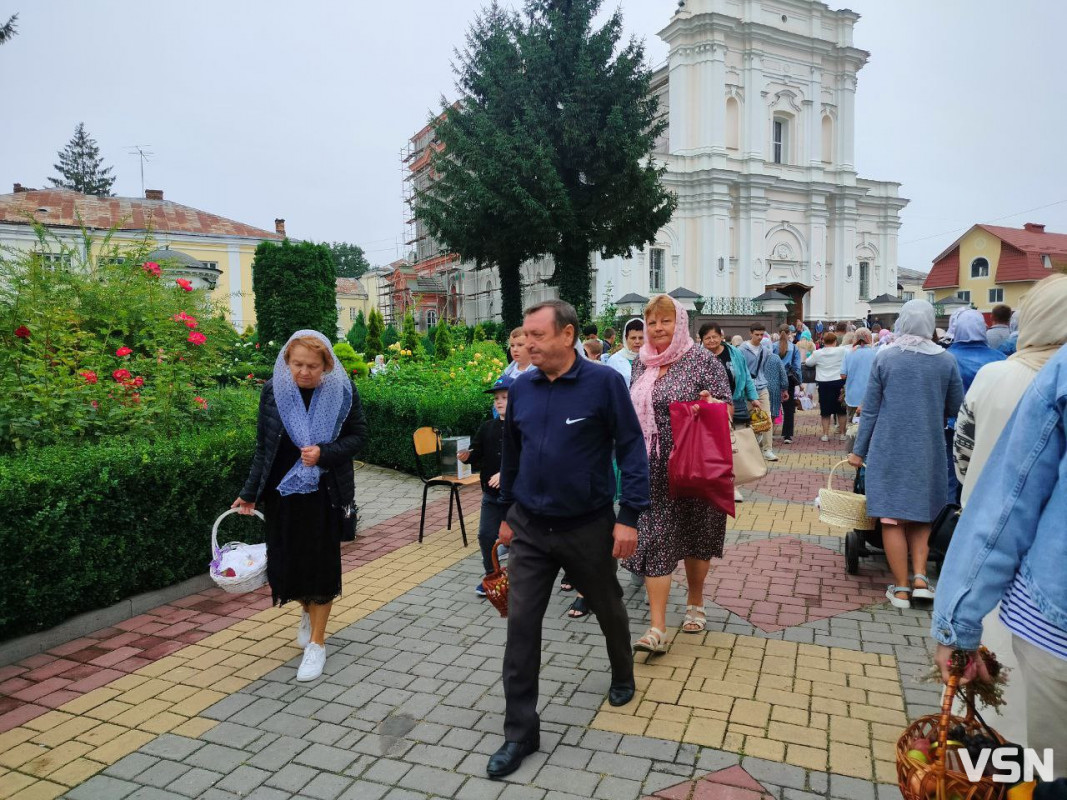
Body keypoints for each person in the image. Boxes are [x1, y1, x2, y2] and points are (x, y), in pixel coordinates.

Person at [489, 300, 649, 779]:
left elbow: (631, 447)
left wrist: (629, 517)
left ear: (567, 335)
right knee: (520, 628)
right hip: (532, 530)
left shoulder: (604, 382)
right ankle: (520, 731)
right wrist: (506, 515)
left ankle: (623, 671)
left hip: (588, 526)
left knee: (608, 606)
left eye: (537, 335)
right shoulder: (523, 388)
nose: (528, 344)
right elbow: (510, 454)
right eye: (525, 336)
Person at [934, 341, 1067, 771]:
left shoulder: (1013, 374)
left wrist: (957, 623)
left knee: (1049, 769)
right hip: (1045, 599)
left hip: (1048, 611)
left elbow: (1009, 493)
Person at [233, 330, 367, 682]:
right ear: (286, 362)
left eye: (312, 366)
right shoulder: (273, 392)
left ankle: (317, 645)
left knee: (321, 567)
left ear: (326, 365)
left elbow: (359, 437)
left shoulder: (342, 391)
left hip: (325, 493)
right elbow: (263, 448)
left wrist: (325, 453)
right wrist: (249, 492)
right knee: (287, 565)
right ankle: (308, 610)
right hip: (281, 494)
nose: (304, 372)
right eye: (297, 365)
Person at [625, 295, 732, 652]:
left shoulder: (701, 360)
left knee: (696, 530)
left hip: (694, 463)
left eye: (665, 321)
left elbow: (726, 408)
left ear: (680, 323)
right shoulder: (642, 364)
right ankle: (657, 628)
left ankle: (696, 602)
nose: (657, 328)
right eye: (651, 322)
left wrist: (710, 405)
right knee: (655, 537)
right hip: (651, 466)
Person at [848, 300, 963, 609]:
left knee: (892, 517)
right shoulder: (946, 361)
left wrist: (858, 453)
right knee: (923, 515)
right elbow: (956, 407)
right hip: (929, 447)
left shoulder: (885, 359)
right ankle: (922, 579)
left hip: (888, 448)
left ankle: (900, 589)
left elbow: (870, 410)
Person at [458, 375, 513, 598]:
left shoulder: (522, 428)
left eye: (505, 398)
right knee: (485, 535)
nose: (499, 402)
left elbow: (528, 460)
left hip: (517, 497)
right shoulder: (487, 427)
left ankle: (519, 579)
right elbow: (476, 453)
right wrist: (466, 456)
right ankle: (493, 576)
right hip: (491, 495)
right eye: (496, 399)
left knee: (518, 539)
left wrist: (506, 474)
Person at [944, 309, 1006, 503]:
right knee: (984, 474)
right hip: (990, 426)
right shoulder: (1000, 358)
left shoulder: (946, 357)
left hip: (954, 426)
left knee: (951, 477)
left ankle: (947, 524)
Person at [700, 322, 758, 501]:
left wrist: (753, 396)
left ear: (721, 337)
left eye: (714, 336)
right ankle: (711, 485)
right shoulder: (698, 357)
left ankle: (733, 487)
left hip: (734, 403)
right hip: (707, 408)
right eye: (707, 338)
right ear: (701, 340)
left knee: (734, 447)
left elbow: (745, 375)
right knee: (710, 449)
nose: (711, 340)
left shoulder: (734, 353)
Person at [740, 323, 777, 460]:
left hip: (762, 387)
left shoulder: (765, 350)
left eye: (762, 334)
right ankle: (751, 449)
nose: (760, 337)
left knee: (767, 418)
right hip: (746, 390)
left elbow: (763, 368)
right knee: (748, 420)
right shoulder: (741, 350)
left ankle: (767, 449)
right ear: (750, 333)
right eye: (757, 334)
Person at [805, 332, 848, 441]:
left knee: (825, 410)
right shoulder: (842, 351)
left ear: (823, 341)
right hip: (839, 382)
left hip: (824, 383)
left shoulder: (817, 353)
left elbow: (808, 363)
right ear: (835, 341)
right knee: (841, 410)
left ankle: (825, 434)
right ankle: (843, 434)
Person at [841, 328, 877, 418]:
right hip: (871, 396)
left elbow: (843, 375)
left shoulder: (849, 354)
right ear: (869, 338)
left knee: (851, 425)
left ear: (855, 339)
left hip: (853, 395)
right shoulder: (875, 354)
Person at [606, 318, 644, 385]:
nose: (637, 341)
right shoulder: (614, 360)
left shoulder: (653, 359)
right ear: (626, 338)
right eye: (633, 338)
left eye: (641, 338)